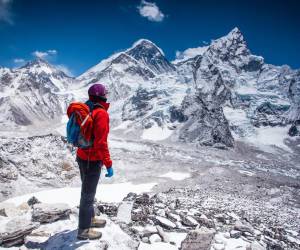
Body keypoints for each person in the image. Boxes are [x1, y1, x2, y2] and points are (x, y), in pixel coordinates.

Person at [76, 83, 114, 240]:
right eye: (106, 94)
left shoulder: (86, 109)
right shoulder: (101, 113)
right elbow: (101, 143)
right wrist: (108, 164)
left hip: (82, 156)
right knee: (88, 195)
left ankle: (90, 219)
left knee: (87, 192)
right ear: (102, 96)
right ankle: (83, 230)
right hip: (93, 160)